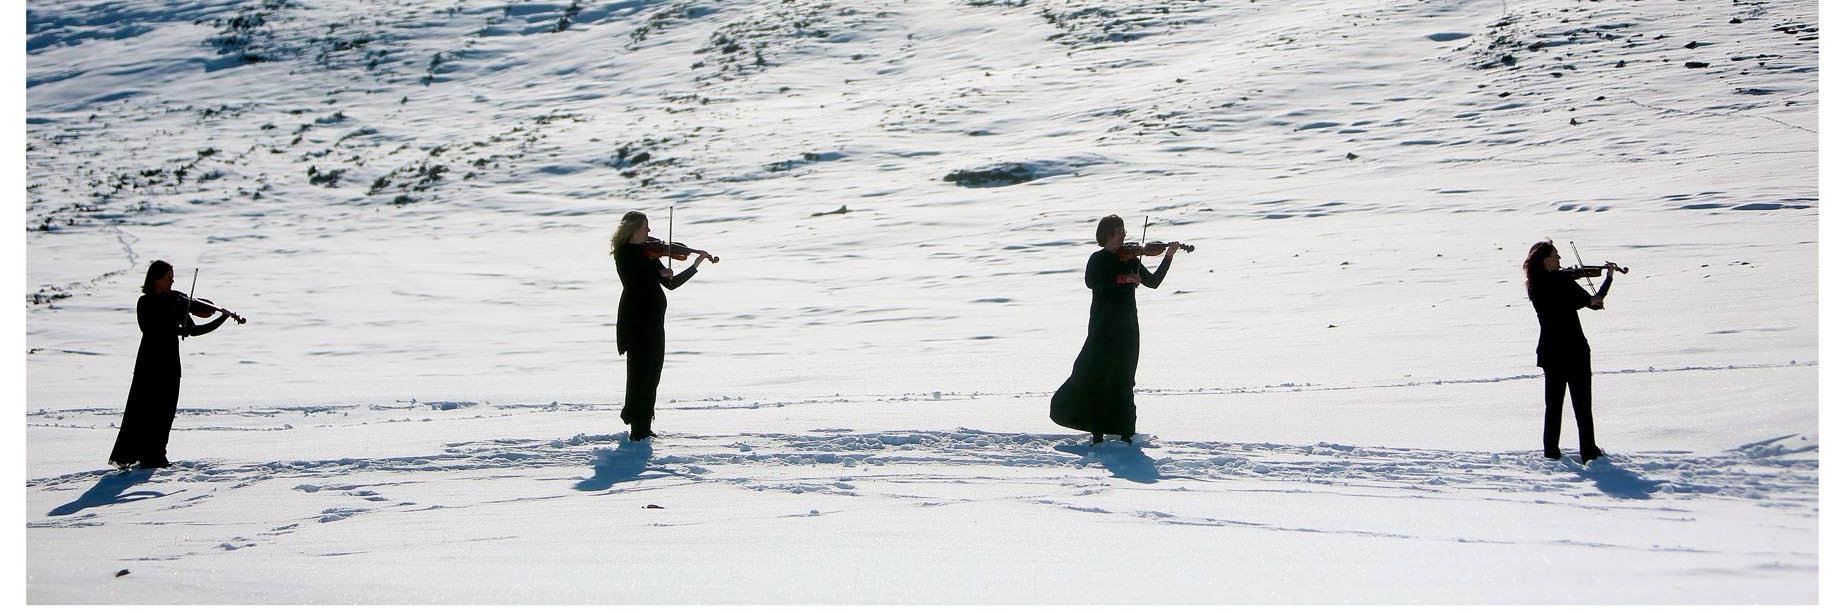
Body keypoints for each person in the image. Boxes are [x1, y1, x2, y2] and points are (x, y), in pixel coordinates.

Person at [1051, 215, 1179, 445]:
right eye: (1119, 231)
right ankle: (1098, 431)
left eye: (1123, 231)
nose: (1123, 235)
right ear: (1107, 234)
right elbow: (1093, 281)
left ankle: (1126, 431)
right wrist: (1123, 279)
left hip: (1128, 327)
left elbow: (1154, 282)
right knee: (1096, 375)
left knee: (1125, 377)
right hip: (1103, 327)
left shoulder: (1131, 258)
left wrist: (1168, 257)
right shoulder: (1098, 259)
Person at [108, 260, 234, 469]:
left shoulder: (177, 302)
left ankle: (156, 454)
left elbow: (194, 330)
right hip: (148, 362)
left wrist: (221, 319)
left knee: (165, 411)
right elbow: (149, 327)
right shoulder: (145, 302)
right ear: (155, 279)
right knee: (141, 410)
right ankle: (138, 455)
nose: (172, 282)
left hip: (169, 363)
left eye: (172, 278)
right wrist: (175, 325)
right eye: (168, 278)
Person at [609, 211, 708, 441]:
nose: (650, 232)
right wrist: (658, 273)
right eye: (646, 227)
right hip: (636, 320)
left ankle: (644, 422)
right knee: (639, 373)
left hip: (653, 322)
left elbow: (670, 284)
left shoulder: (649, 253)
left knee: (653, 372)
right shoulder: (626, 253)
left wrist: (695, 265)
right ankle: (637, 426)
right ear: (634, 229)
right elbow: (634, 281)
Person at [1523, 241, 1619, 463]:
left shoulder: (1534, 285)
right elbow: (1595, 302)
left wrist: (1572, 276)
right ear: (1546, 259)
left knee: (1553, 405)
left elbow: (1562, 287)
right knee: (1582, 405)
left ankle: (1551, 452)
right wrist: (1609, 277)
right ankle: (1588, 451)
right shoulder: (1562, 281)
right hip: (1574, 349)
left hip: (1550, 350)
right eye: (1556, 255)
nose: (1560, 259)